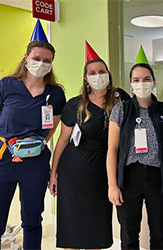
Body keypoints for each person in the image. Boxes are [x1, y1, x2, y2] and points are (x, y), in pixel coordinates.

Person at [0, 19, 66, 250]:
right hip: (1, 160)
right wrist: (10, 149)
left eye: (47, 60)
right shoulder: (6, 86)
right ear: (26, 59)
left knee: (32, 221)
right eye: (37, 58)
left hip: (35, 162)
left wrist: (30, 148)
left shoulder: (55, 94)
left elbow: (51, 129)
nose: (41, 63)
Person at [48, 41, 129, 250]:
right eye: (92, 72)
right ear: (86, 78)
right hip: (72, 173)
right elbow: (63, 140)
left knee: (97, 228)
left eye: (101, 71)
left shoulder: (121, 99)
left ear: (109, 74)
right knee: (72, 227)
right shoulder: (75, 104)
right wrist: (53, 173)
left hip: (104, 173)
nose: (97, 75)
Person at [106, 47, 163, 250]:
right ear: (130, 84)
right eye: (136, 79)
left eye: (146, 78)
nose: (142, 83)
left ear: (154, 81)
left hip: (159, 176)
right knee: (129, 233)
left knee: (159, 231)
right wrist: (113, 184)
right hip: (129, 177)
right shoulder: (121, 109)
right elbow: (112, 149)